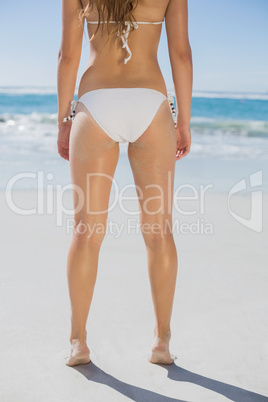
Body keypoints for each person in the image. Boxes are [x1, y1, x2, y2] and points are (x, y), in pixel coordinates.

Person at [57, 0, 193, 367]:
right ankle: (161, 342)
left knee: (86, 231)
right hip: (151, 100)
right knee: (159, 230)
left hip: (97, 100)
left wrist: (63, 120)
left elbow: (67, 57)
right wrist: (183, 121)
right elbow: (181, 54)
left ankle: (78, 342)